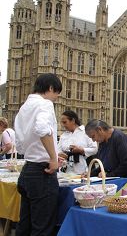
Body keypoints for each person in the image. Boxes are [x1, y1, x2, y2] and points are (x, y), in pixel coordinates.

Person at [14, 73, 62, 236]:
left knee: (24, 225)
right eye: (56, 93)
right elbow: (42, 129)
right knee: (42, 228)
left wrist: (48, 153)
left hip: (27, 171)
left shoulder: (24, 107)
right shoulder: (45, 104)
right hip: (42, 174)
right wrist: (53, 158)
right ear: (50, 88)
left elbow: (20, 146)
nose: (56, 98)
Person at [85, 119, 127, 194]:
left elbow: (126, 163)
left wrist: (108, 175)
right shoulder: (102, 142)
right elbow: (104, 164)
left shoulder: (119, 137)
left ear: (100, 130)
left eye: (93, 136)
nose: (93, 140)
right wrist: (89, 174)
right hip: (118, 178)